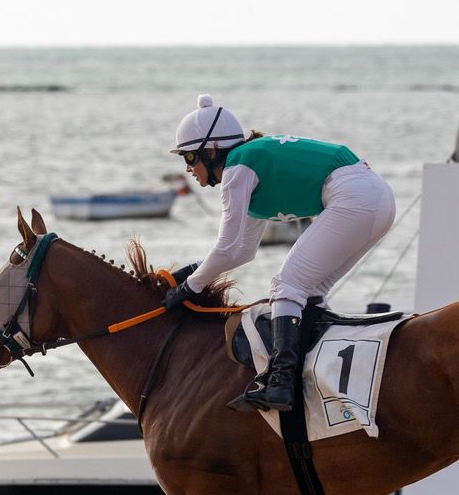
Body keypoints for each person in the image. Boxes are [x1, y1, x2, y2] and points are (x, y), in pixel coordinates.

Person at [162, 93, 396, 413]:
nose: (188, 168)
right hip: (375, 198)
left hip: (356, 198)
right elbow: (242, 251)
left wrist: (189, 288)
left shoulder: (237, 169)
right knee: (310, 291)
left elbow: (227, 248)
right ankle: (311, 369)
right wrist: (188, 274)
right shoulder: (249, 165)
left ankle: (281, 381)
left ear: (211, 151)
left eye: (189, 157)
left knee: (286, 285)